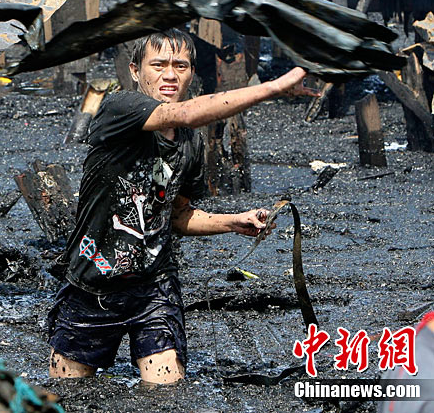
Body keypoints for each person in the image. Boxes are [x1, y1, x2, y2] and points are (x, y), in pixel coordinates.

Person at [47, 28, 318, 384]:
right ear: (135, 71)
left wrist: (233, 222)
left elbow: (177, 215)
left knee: (167, 391)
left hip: (154, 286)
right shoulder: (120, 107)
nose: (170, 75)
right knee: (69, 393)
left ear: (191, 73)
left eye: (180, 66)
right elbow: (185, 113)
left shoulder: (190, 142)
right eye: (158, 65)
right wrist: (274, 87)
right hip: (93, 281)